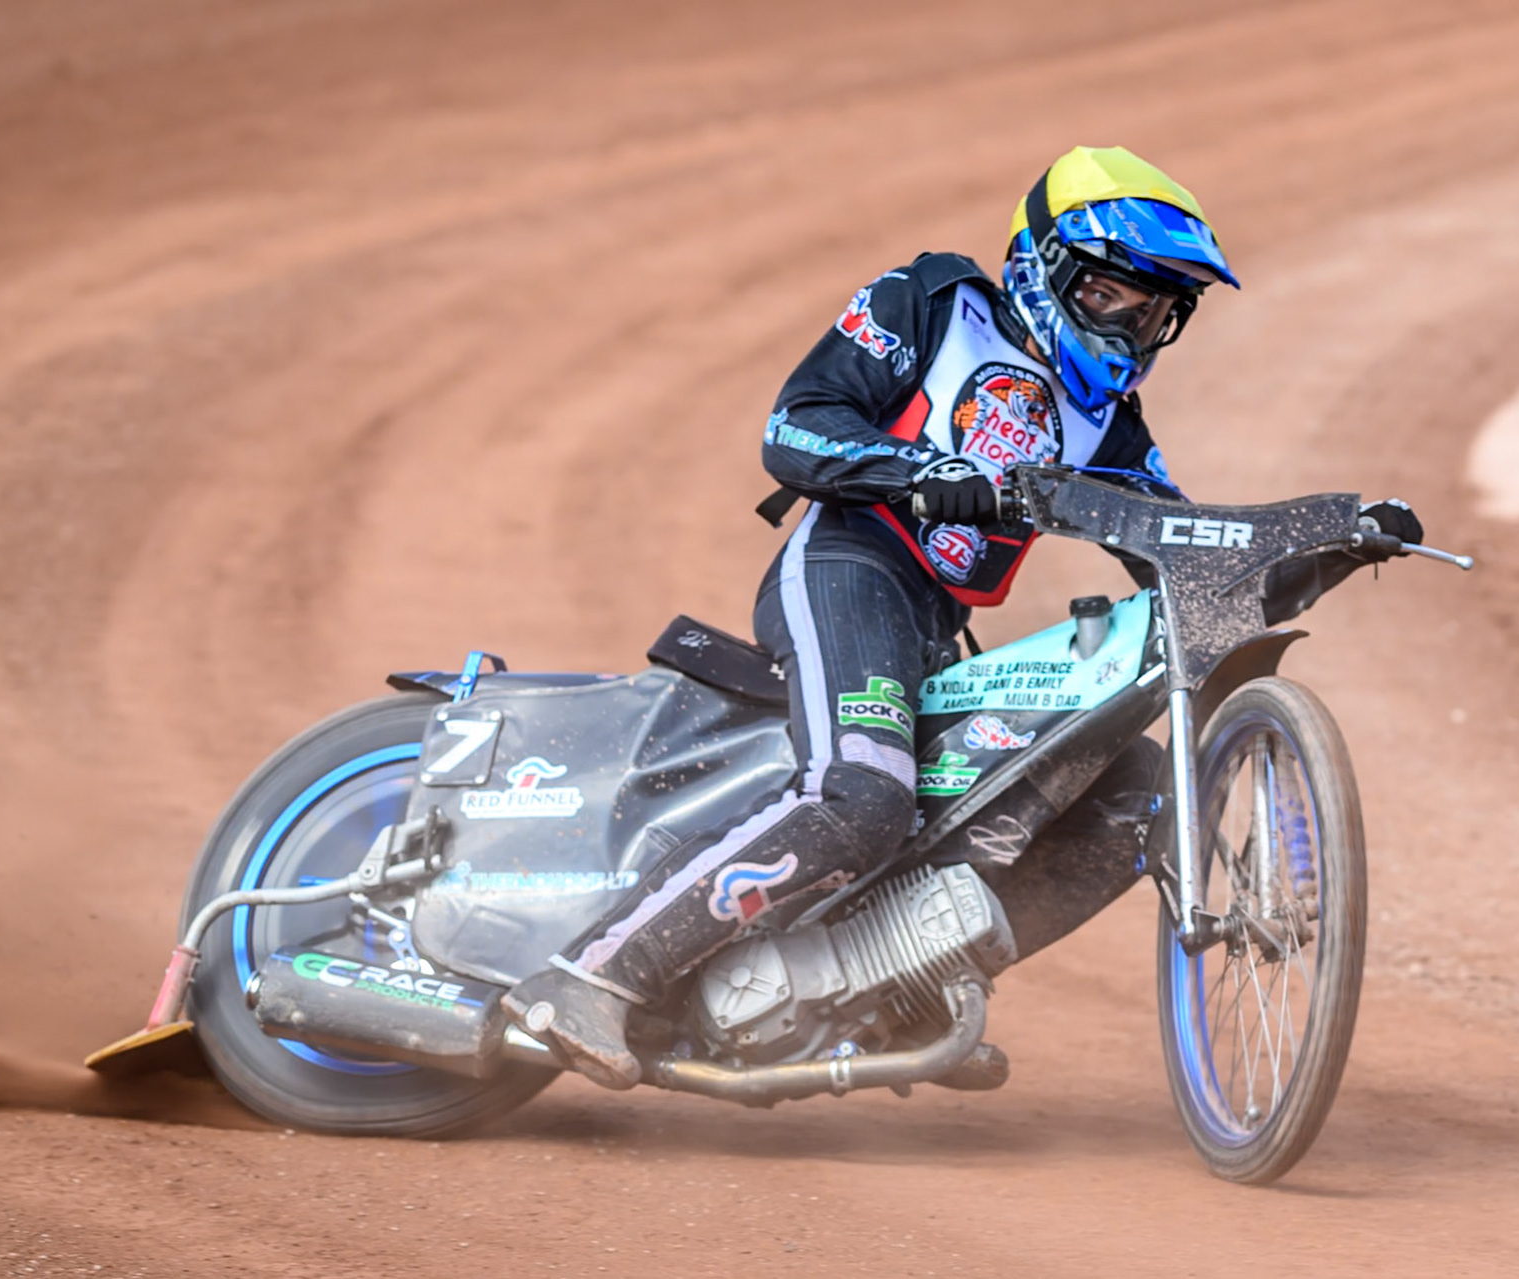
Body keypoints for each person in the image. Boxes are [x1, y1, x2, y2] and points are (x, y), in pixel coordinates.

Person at [505, 145, 1423, 1089]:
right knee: (863, 794)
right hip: (846, 566)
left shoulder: (1111, 422)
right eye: (1112, 295)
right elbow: (796, 425)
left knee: (1135, 790)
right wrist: (923, 471)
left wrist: (1329, 544)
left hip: (934, 625)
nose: (1131, 327)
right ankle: (590, 979)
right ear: (1046, 265)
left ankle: (891, 992)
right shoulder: (936, 304)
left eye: (1154, 311)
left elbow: (1184, 556)